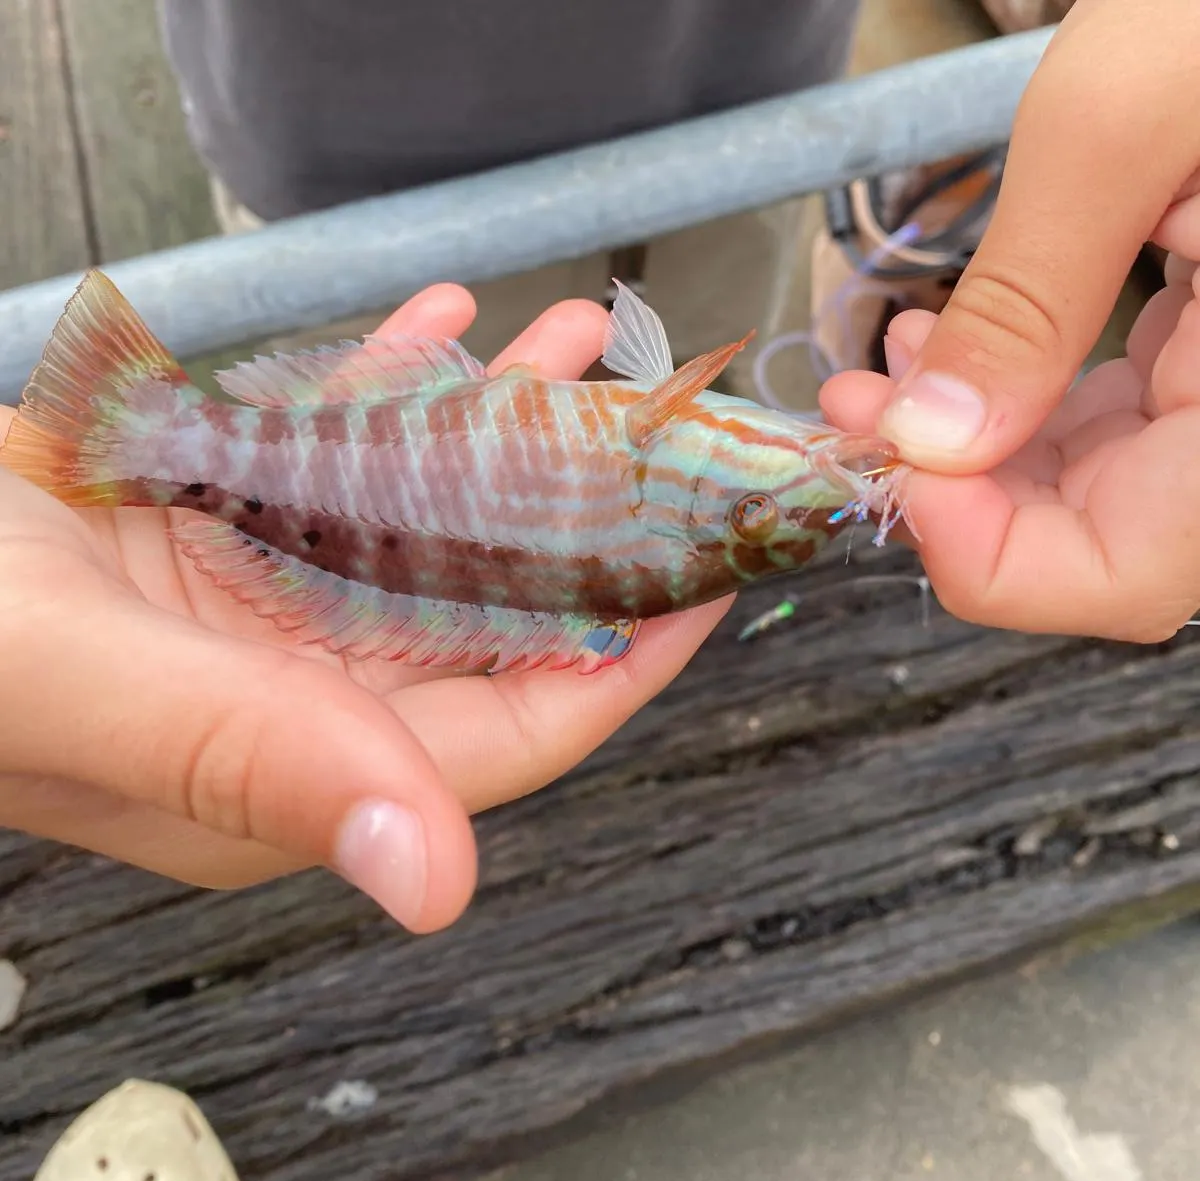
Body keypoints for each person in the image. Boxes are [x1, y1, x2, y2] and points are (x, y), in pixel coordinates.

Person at [3, 0, 1199, 937]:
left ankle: (144, 438)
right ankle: (140, 438)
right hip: (361, 132)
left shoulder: (673, 435)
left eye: (787, 512)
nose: (835, 487)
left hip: (733, 95)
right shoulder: (679, 462)